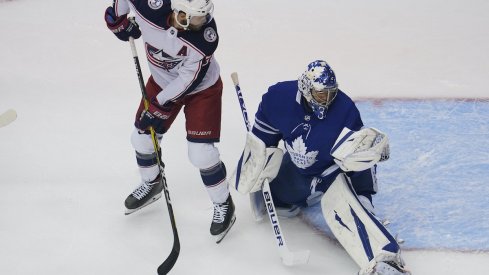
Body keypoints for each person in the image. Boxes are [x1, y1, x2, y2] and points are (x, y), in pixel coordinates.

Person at [233, 60, 410, 274]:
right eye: (321, 94)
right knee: (280, 194)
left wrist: (364, 197)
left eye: (331, 93)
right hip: (297, 173)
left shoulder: (344, 110)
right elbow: (262, 143)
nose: (327, 100)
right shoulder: (278, 98)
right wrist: (257, 171)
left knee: (342, 204)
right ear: (306, 89)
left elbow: (358, 156)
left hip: (329, 173)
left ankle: (383, 258)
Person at [104, 0, 235, 242]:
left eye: (204, 16)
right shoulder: (151, 6)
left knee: (201, 154)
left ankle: (223, 203)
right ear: (179, 11)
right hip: (161, 81)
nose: (202, 22)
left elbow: (187, 81)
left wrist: (157, 104)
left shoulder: (204, 38)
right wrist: (118, 18)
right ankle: (151, 182)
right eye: (196, 17)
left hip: (202, 90)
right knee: (141, 139)